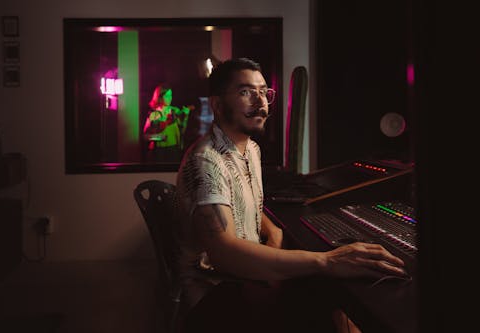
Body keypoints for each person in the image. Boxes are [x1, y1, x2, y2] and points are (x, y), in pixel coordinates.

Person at [174, 58, 408, 333]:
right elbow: (224, 252)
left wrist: (273, 231)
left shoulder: (250, 150)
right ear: (216, 104)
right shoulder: (206, 160)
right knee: (324, 295)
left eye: (263, 91)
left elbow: (244, 203)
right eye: (245, 92)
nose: (260, 101)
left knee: (324, 291)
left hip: (246, 279)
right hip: (217, 295)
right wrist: (327, 261)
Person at [143, 83, 192, 150]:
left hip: (173, 148)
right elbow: (146, 135)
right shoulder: (154, 113)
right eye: (166, 96)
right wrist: (159, 135)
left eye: (170, 95)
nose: (170, 98)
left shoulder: (174, 111)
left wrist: (186, 116)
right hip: (158, 149)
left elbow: (182, 131)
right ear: (159, 97)